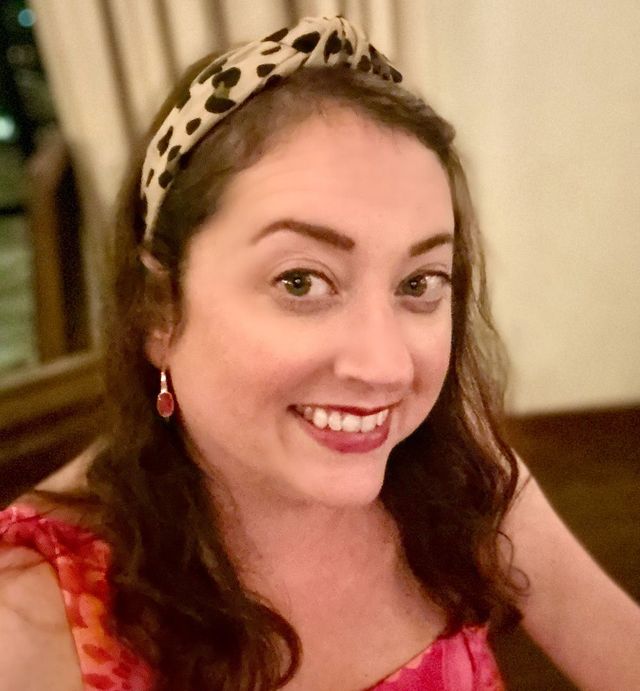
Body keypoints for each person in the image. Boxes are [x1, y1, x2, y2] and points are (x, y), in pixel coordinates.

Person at [0, 15, 638, 691]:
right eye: (301, 281)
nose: (386, 366)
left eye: (418, 284)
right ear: (161, 310)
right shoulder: (30, 617)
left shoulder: (464, 480)